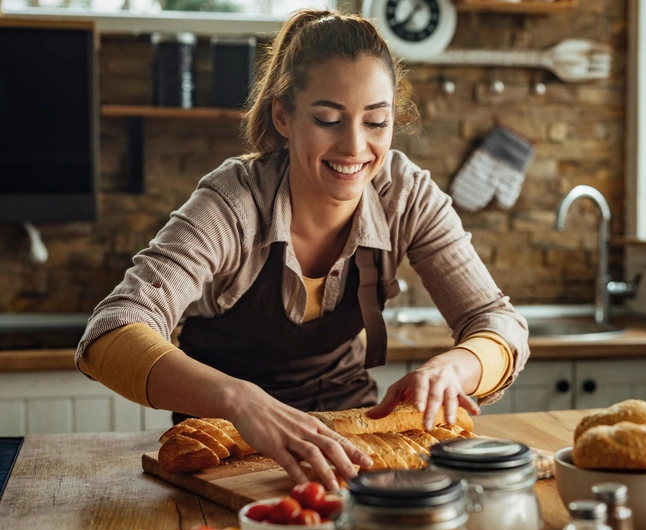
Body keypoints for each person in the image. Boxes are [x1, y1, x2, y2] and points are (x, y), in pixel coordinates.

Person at [76, 8, 530, 491]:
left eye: (376, 121)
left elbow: (497, 321)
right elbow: (110, 332)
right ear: (283, 115)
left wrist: (454, 367)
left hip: (356, 434)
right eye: (329, 119)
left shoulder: (407, 195)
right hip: (226, 449)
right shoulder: (234, 202)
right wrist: (241, 401)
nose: (356, 146)